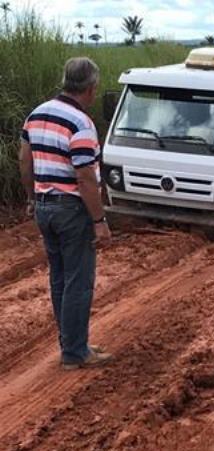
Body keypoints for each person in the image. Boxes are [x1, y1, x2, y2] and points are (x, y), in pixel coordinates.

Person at [19, 57, 113, 370]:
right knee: (79, 282)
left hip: (44, 206)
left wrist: (32, 198)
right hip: (71, 210)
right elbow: (85, 177)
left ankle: (71, 343)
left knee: (59, 277)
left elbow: (25, 160)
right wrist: (99, 221)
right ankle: (75, 353)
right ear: (91, 87)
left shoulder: (37, 114)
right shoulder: (81, 123)